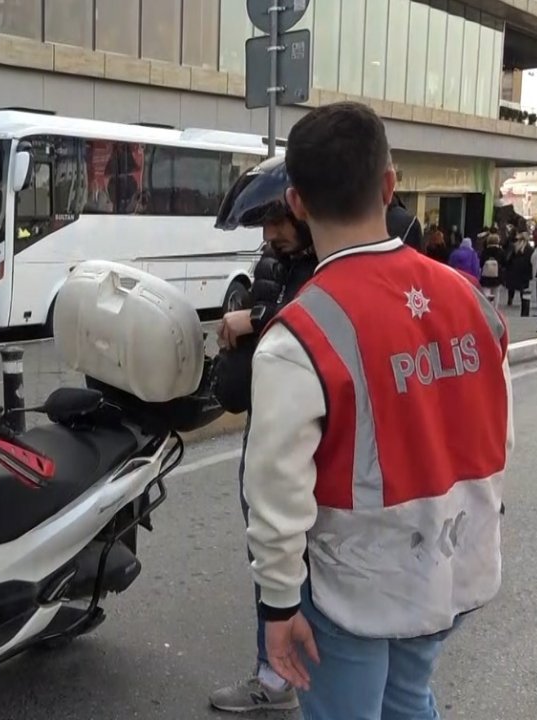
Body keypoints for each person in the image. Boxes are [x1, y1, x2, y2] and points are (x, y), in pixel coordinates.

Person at [244, 101, 511, 719]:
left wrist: (278, 608)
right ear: (389, 185)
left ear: (297, 204)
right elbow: (500, 437)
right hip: (453, 564)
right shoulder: (471, 301)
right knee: (409, 699)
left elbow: (276, 493)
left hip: (353, 584)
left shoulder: (301, 333)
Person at [207, 156, 316, 714]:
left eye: (280, 222)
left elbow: (318, 323)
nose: (271, 235)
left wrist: (256, 317)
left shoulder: (324, 267)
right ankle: (279, 671)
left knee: (288, 551)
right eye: (265, 226)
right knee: (269, 549)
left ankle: (282, 677)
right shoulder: (276, 263)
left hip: (303, 432)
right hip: (262, 420)